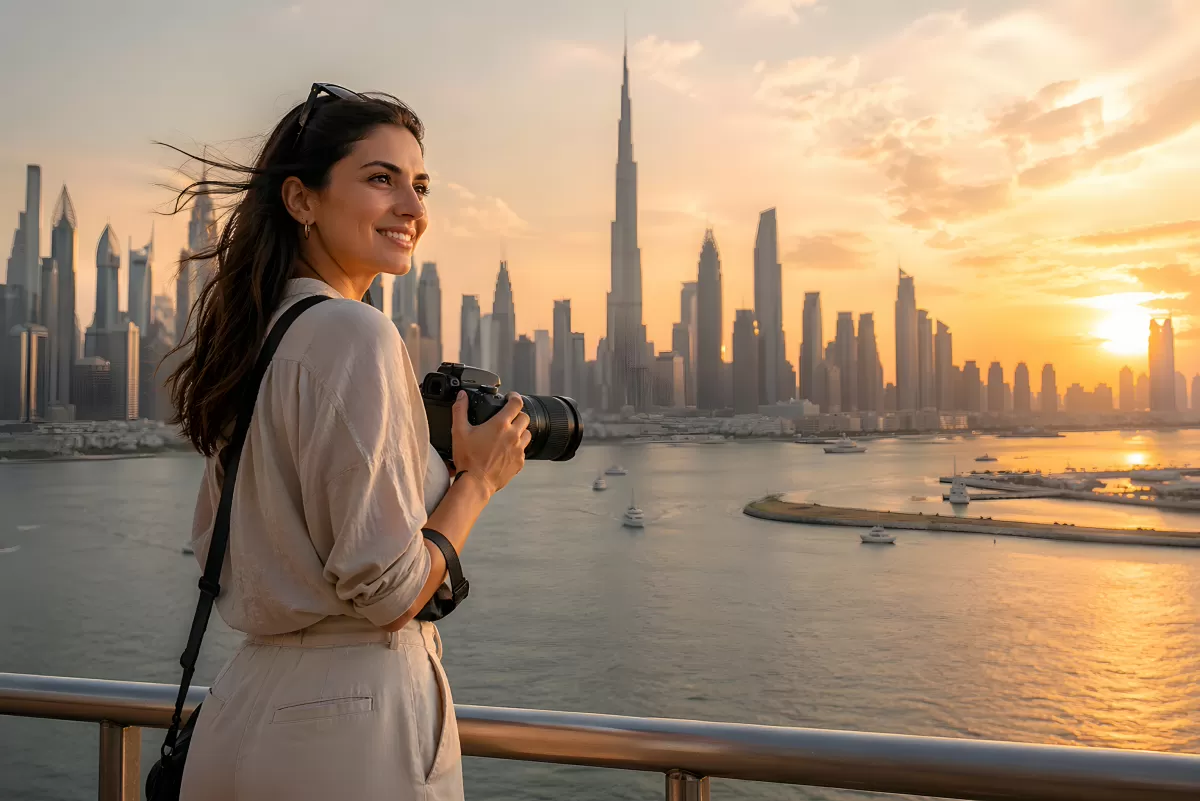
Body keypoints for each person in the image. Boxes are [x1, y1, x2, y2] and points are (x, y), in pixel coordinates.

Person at [166, 84, 529, 800]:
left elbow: (212, 546)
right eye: (380, 179)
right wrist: (476, 482)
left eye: (420, 185)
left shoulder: (256, 342)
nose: (414, 208)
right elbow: (388, 591)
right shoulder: (356, 332)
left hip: (239, 710)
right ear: (301, 200)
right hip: (348, 730)